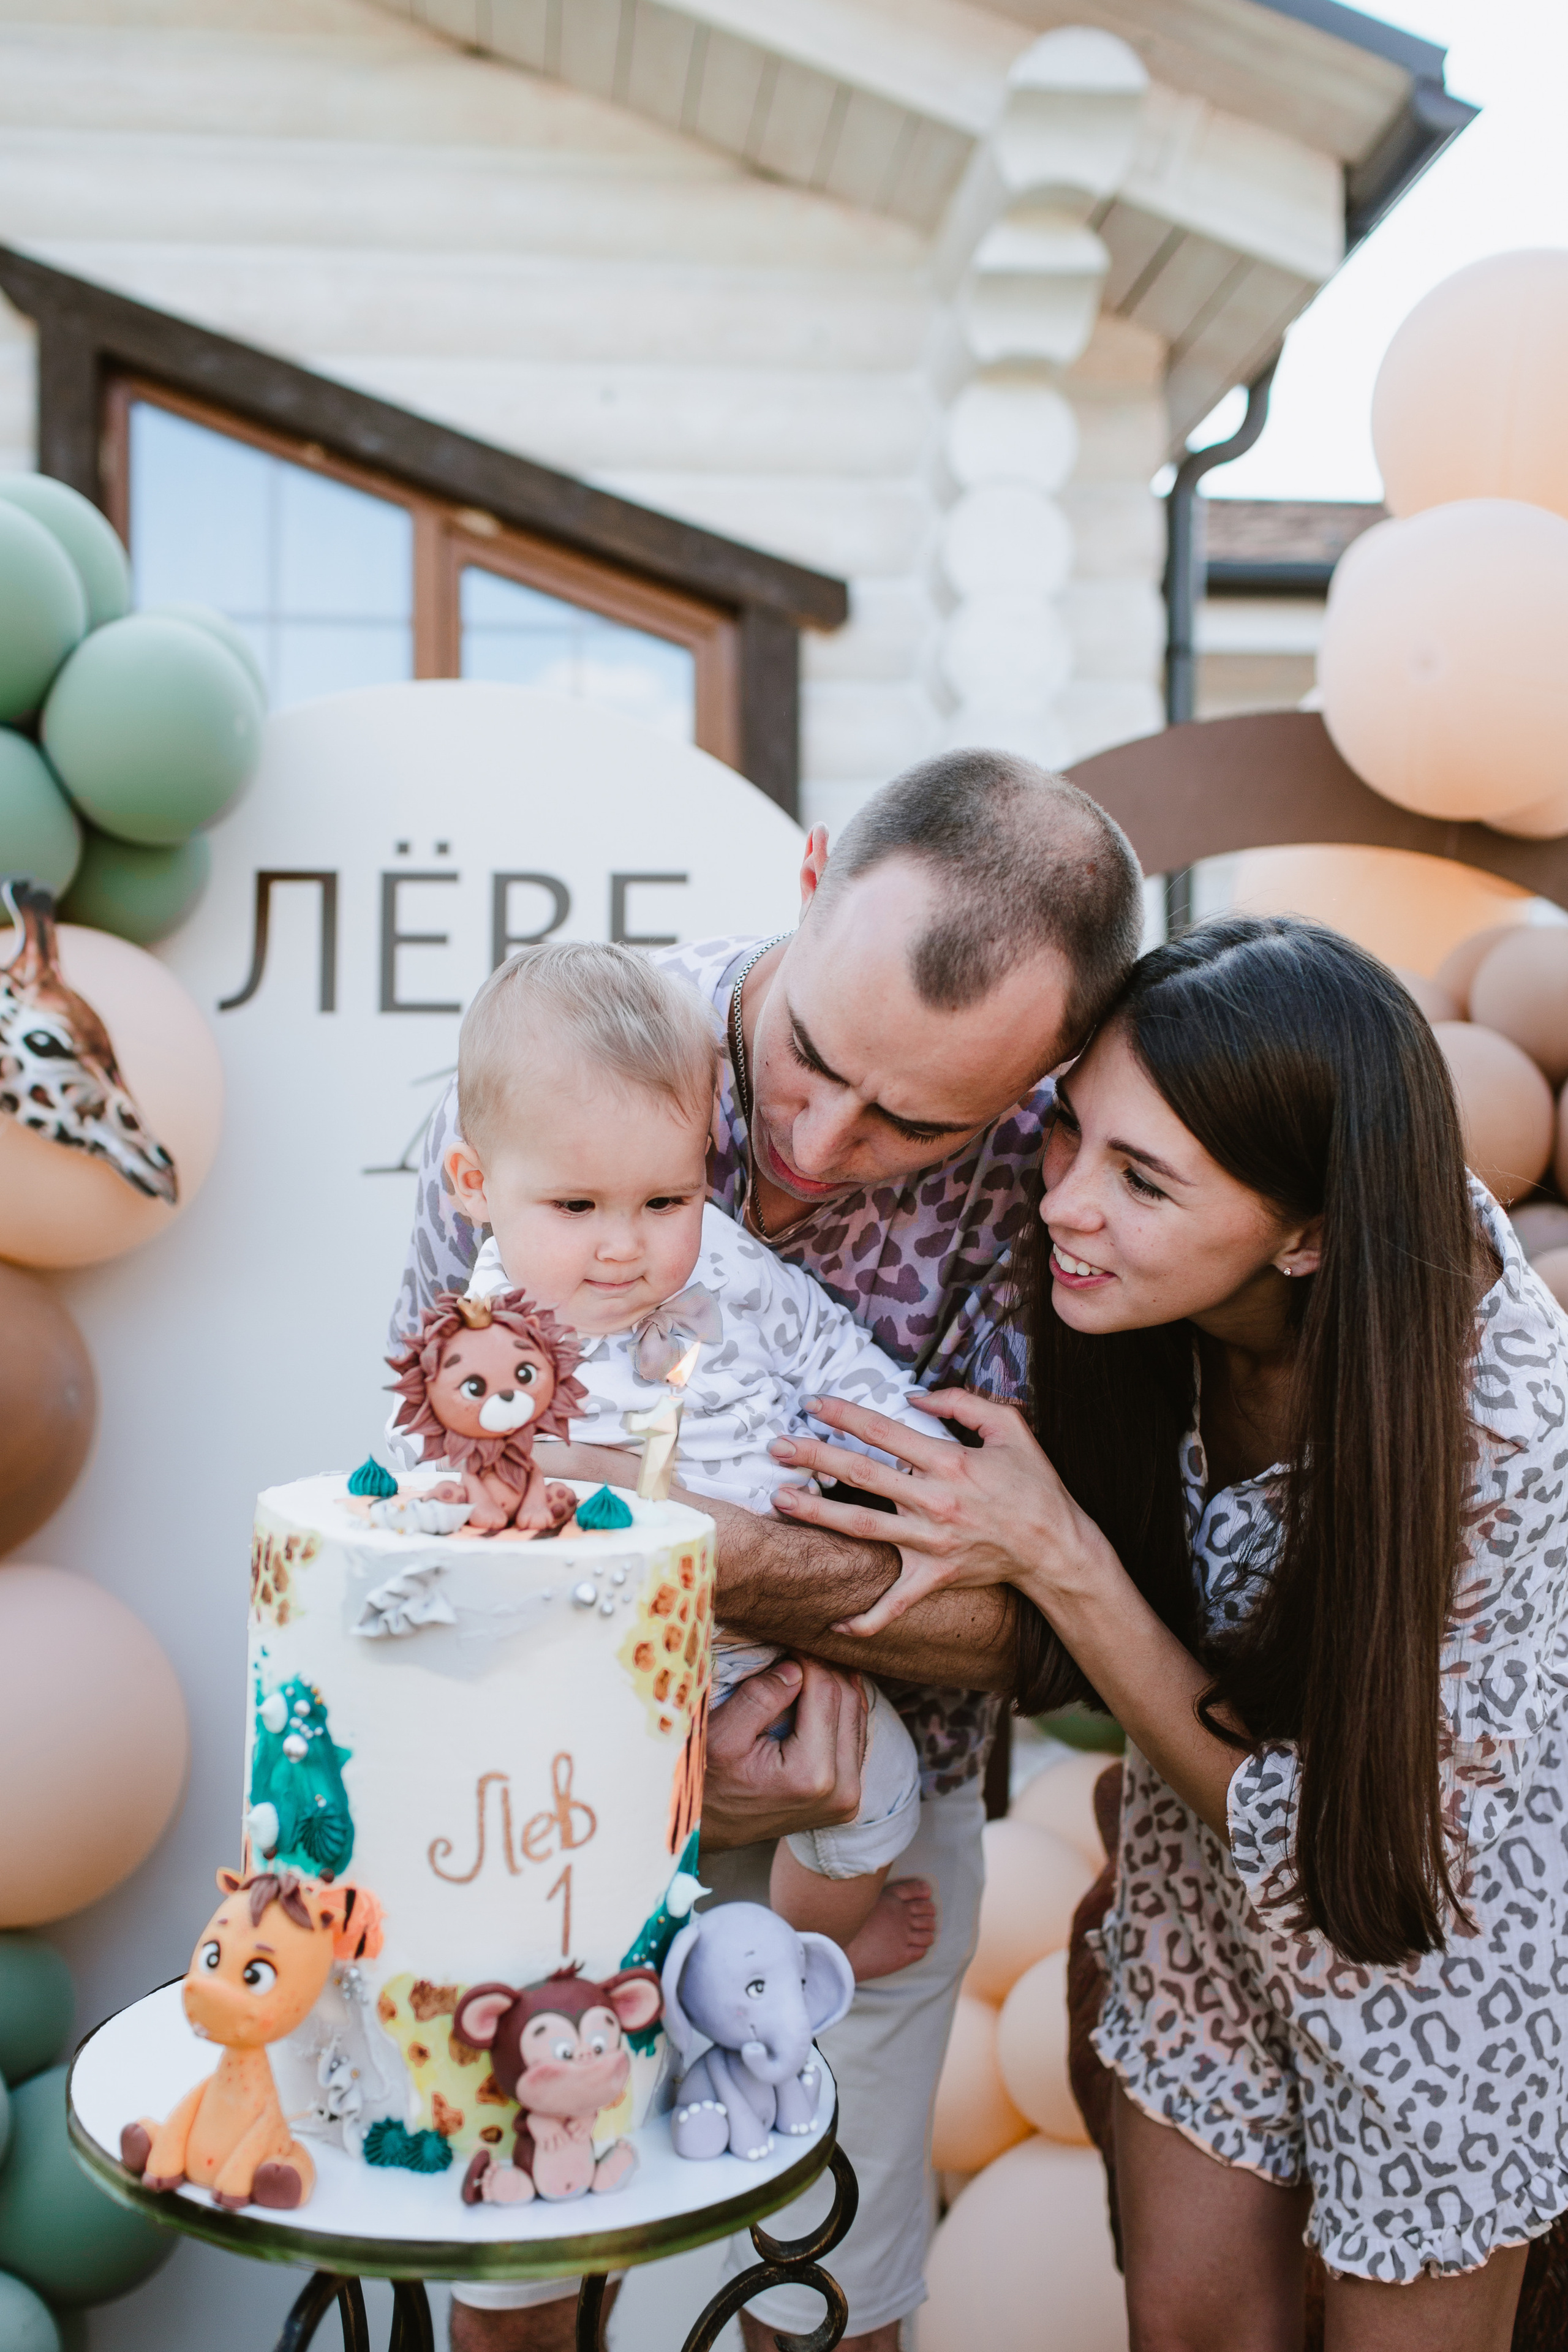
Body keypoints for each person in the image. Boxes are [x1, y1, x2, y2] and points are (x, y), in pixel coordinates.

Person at [393, 750, 1145, 2352]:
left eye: (913, 1120)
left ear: (1049, 1064)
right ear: (808, 878)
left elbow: (1048, 1634)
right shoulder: (554, 1067)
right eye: (811, 1055)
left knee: (827, 2308)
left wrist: (674, 1533)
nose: (818, 1134)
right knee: (515, 2288)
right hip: (553, 1793)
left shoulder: (1067, 1198)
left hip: (871, 1813)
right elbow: (441, 1497)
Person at [769, 914, 1568, 2352]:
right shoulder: (1129, 1292)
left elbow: (1345, 1855)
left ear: (1310, 1232)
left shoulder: (1498, 1432)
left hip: (1435, 1950)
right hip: (1199, 1895)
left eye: (1139, 1179)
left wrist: (1058, 1555)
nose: (1061, 1201)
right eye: (1071, 1136)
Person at [435, 934, 954, 1970]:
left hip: (782, 1644)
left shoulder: (719, 1259)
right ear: (475, 1184)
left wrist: (914, 1445)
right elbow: (445, 1497)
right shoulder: (490, 1338)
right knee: (573, 1855)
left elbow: (827, 1349)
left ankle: (803, 1959)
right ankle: (648, 1977)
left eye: (662, 1200)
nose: (625, 1244)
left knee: (880, 1793)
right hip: (597, 1677)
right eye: (577, 1207)